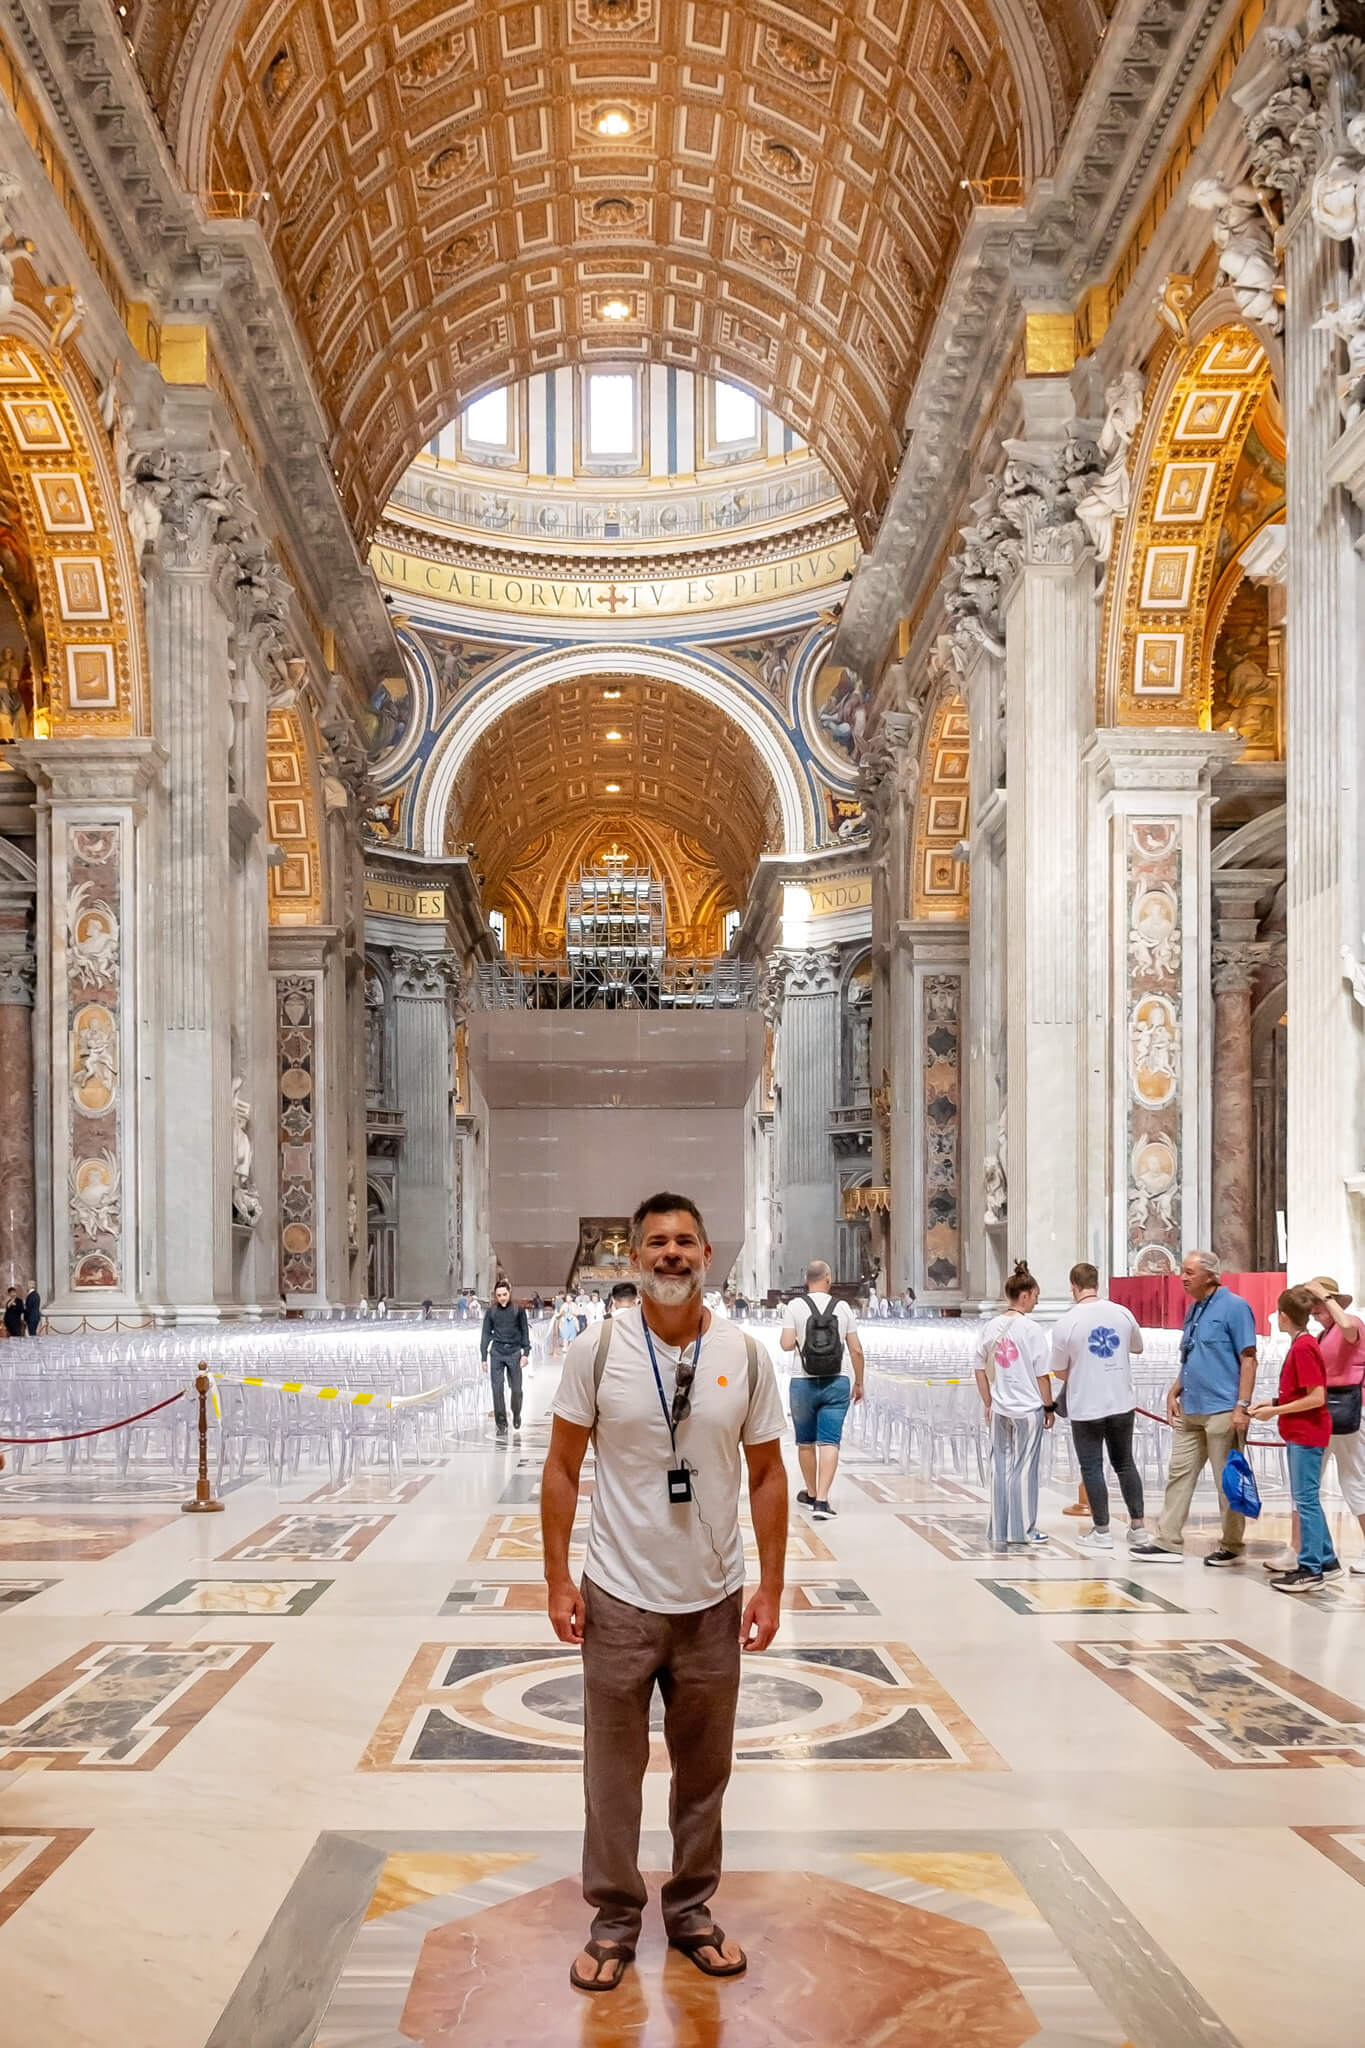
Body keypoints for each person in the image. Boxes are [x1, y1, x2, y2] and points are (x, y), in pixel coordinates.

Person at [542, 1192, 787, 1996]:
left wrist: (772, 1587)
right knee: (611, 1776)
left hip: (712, 1599)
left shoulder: (744, 1354)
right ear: (634, 1258)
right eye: (656, 1243)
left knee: (703, 1774)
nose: (671, 1254)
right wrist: (554, 1578)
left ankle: (690, 1911)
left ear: (707, 1254)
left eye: (685, 1241)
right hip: (616, 1594)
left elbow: (766, 1473)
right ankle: (613, 1920)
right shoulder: (597, 1350)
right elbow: (561, 1467)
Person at [1132, 1250, 1258, 1565]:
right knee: (1179, 1474)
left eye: (1189, 1272)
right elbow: (1191, 1355)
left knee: (1224, 1480)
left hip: (1222, 1409)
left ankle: (1231, 1544)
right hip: (1190, 1407)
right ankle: (1167, 1540)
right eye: (1183, 1272)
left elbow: (1248, 1358)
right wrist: (1175, 1388)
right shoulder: (1195, 1310)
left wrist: (1242, 1406)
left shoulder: (1235, 1308)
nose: (1182, 1278)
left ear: (1210, 1275)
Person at [1049, 1263, 1147, 1553]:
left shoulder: (1068, 1321)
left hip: (1086, 1404)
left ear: (1073, 1287)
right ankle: (1139, 1527)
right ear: (1098, 1284)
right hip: (1121, 1402)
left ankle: (1102, 1530)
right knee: (1125, 1463)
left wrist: (1084, 1368)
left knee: (1091, 1466)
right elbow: (1137, 1347)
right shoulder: (1121, 1312)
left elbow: (1059, 1371)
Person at [1250, 1285, 1337, 1592]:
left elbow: (1316, 1397)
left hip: (1307, 1431)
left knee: (1306, 1499)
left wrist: (1276, 1412)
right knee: (1306, 1497)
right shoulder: (1302, 1344)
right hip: (1301, 1429)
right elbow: (1299, 1391)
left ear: (1283, 1316)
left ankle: (1311, 1567)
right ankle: (1327, 1558)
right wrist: (1272, 1403)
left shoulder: (1303, 1348)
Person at [974, 1260, 1054, 1549]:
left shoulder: (990, 1326)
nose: (1036, 1301)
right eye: (1035, 1296)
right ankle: (1022, 1530)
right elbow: (1042, 1374)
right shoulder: (1031, 1329)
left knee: (1000, 1465)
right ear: (1024, 1295)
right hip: (1027, 1408)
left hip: (999, 1407)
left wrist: (987, 1401)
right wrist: (1048, 1406)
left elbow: (979, 1368)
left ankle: (998, 1527)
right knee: (1024, 1468)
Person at [779, 1259, 863, 1520]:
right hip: (836, 1381)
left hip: (802, 1381)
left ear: (807, 1279)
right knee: (830, 1441)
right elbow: (856, 1350)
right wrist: (859, 1382)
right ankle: (823, 1501)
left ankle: (812, 1492)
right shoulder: (843, 1307)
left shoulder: (795, 1305)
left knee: (805, 1442)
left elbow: (785, 1344)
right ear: (828, 1278)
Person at [1308, 1277, 1365, 1575]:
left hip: (1352, 1408)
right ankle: (1311, 1550)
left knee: (1354, 1479)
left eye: (1318, 1305)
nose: (1314, 1311)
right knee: (1309, 1480)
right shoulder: (1323, 1334)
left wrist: (1326, 1297)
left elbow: (1349, 1330)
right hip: (1327, 1409)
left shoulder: (1349, 1321)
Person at [480, 1279, 531, 1440]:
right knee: (497, 1389)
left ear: (509, 1293)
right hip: (496, 1352)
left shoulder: (518, 1310)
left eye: (504, 1294)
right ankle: (501, 1423)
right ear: (495, 1296)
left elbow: (524, 1332)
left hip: (515, 1352)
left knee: (516, 1389)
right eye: (499, 1295)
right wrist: (483, 1357)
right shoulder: (491, 1312)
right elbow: (486, 1334)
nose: (502, 1298)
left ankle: (516, 1413)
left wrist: (526, 1353)